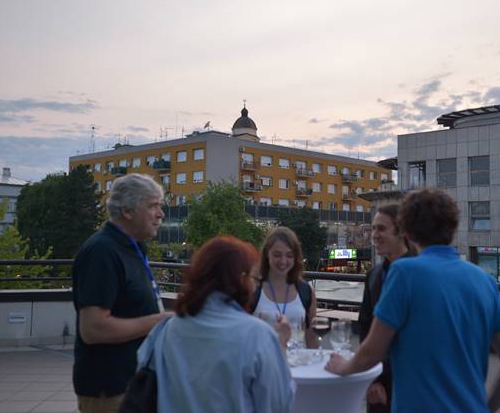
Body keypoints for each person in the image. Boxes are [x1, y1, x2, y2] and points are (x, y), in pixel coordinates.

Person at [327, 189, 500, 413]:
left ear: (408, 232)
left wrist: (344, 367)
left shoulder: (404, 272)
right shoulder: (483, 280)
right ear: (452, 227)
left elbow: (373, 351)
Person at [137, 236, 295, 413]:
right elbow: (279, 404)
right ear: (241, 279)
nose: (254, 285)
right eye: (253, 278)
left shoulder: (166, 330)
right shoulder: (258, 336)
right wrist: (280, 345)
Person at [72, 173, 170, 413]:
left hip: (134, 383)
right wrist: (159, 321)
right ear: (127, 211)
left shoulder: (132, 247)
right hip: (111, 390)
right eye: (153, 206)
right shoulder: (102, 252)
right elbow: (93, 329)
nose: (161, 214)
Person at [359, 204, 415, 413]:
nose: (374, 235)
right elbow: (365, 327)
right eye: (373, 228)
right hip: (379, 386)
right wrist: (372, 379)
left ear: (401, 232)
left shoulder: (421, 273)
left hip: (412, 383)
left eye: (381, 229)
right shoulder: (373, 275)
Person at [252, 226, 318, 348]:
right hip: (264, 365)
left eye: (289, 255)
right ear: (267, 254)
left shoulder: (306, 291)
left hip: (299, 365)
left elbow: (311, 336)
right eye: (277, 255)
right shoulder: (253, 289)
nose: (283, 261)